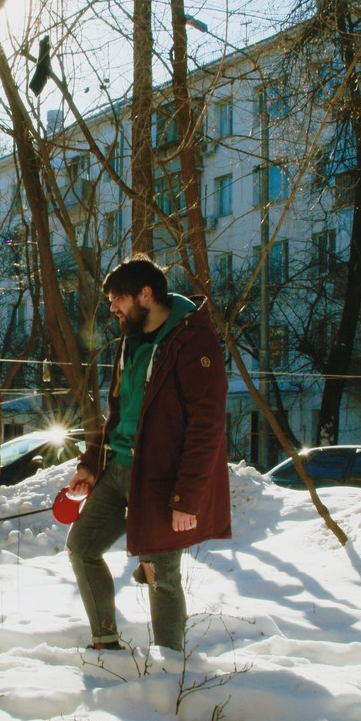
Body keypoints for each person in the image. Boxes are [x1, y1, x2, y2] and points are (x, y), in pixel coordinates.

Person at [66, 253, 231, 652]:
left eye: (117, 300)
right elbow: (117, 413)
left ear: (145, 293)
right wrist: (90, 464)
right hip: (119, 472)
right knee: (82, 547)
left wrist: (186, 496)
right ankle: (106, 642)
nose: (113, 310)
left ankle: (170, 670)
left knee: (161, 574)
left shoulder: (192, 340)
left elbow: (206, 426)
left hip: (162, 478)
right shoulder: (130, 343)